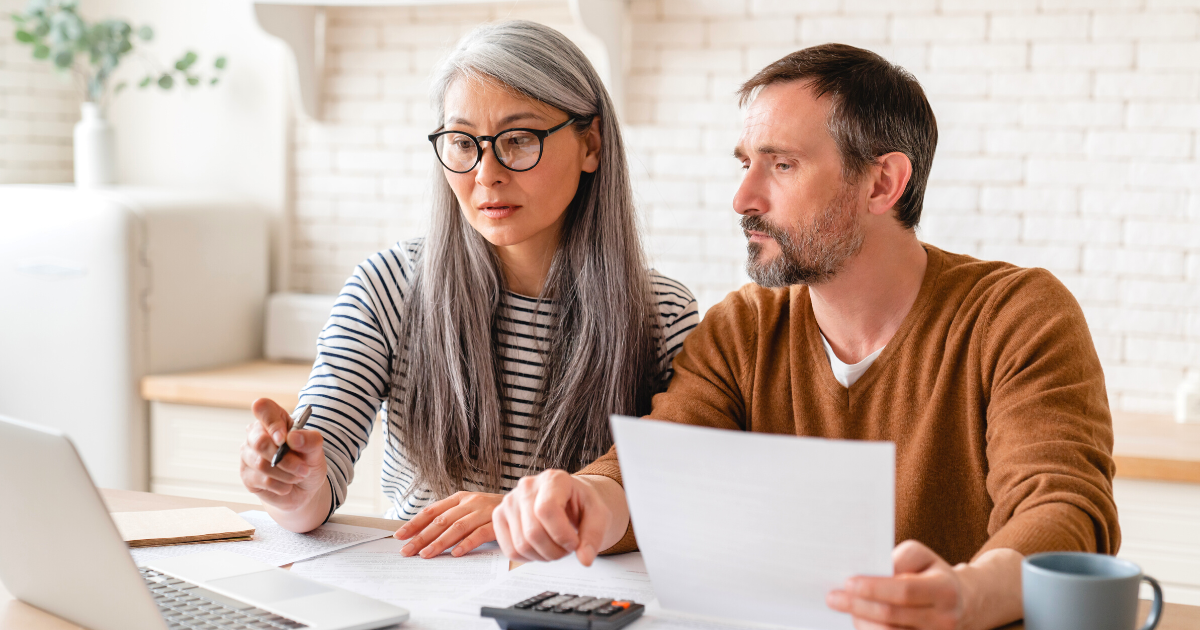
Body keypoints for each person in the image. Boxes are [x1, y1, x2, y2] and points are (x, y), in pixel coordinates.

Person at [491, 43, 1119, 630]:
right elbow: (659, 465)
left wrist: (966, 593)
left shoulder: (1015, 316)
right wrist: (586, 501)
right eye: (745, 165)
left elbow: (1065, 511)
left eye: (782, 165)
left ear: (882, 184)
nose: (743, 198)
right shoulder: (743, 327)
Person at [237, 20, 698, 560]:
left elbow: (673, 498)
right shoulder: (390, 285)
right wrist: (290, 481)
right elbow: (316, 488)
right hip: (425, 587)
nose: (487, 174)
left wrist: (516, 518)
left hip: (580, 597)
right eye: (462, 143)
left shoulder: (662, 313)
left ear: (590, 143)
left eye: (519, 140)